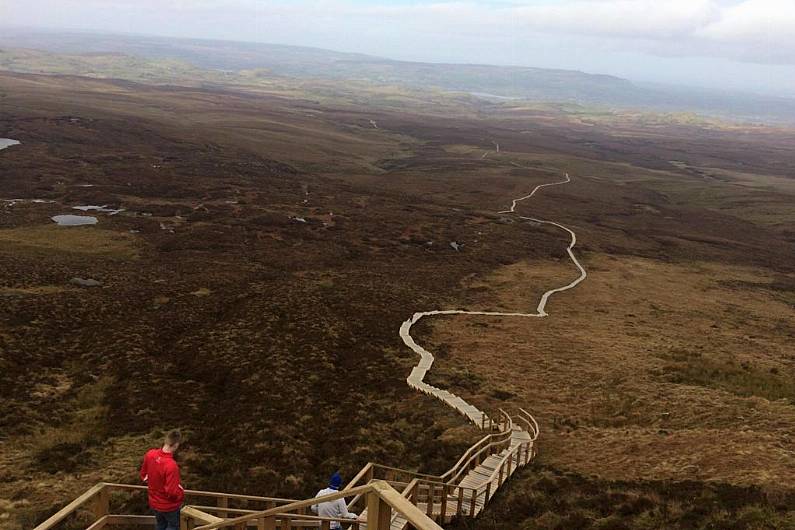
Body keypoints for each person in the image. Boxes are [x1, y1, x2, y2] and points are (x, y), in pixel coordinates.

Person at [140, 430, 185, 530]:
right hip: (169, 506)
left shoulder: (150, 454)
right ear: (176, 445)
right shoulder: (171, 465)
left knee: (161, 525)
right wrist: (181, 493)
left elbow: (144, 475)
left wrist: (155, 483)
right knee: (173, 526)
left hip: (154, 502)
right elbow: (172, 492)